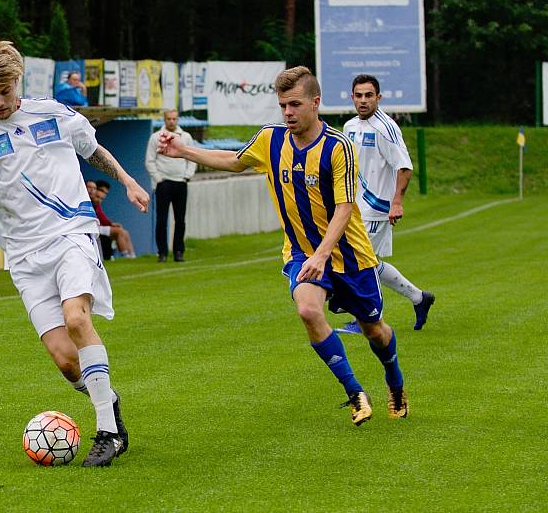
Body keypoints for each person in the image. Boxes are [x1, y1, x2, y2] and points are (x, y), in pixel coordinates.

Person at [0, 33, 149, 466]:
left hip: (71, 233)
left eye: (5, 92)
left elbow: (93, 149)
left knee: (76, 317)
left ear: (18, 81)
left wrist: (127, 179)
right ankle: (110, 402)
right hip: (24, 255)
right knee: (66, 361)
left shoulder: (54, 113)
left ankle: (107, 433)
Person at [159, 66, 409, 425]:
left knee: (374, 330)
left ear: (315, 102)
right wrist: (183, 150)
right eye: (282, 106)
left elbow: (345, 207)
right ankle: (355, 392)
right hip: (302, 253)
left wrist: (324, 253)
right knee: (308, 311)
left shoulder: (340, 147)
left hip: (350, 256)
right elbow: (234, 161)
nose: (288, 113)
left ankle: (395, 381)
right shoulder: (270, 139)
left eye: (295, 104)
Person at [341, 74, 435, 332]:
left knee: (360, 262)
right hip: (355, 206)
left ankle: (367, 318)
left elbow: (404, 167)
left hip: (378, 207)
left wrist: (397, 203)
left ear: (378, 98)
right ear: (352, 98)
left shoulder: (386, 127)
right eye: (358, 95)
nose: (363, 100)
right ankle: (419, 298)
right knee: (369, 262)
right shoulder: (349, 127)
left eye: (368, 95)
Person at [145, 109, 196, 262]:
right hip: (164, 182)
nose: (171, 121)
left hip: (180, 181)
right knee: (161, 219)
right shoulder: (156, 137)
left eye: (174, 119)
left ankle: (179, 251)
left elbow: (192, 156)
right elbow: (150, 160)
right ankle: (162, 252)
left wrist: (187, 176)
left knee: (180, 219)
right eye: (169, 119)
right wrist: (158, 178)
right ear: (164, 120)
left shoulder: (185, 137)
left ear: (178, 119)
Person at [92, 179, 136, 259]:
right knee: (118, 231)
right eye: (101, 190)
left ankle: (132, 256)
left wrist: (111, 224)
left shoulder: (97, 204)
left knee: (124, 232)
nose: (102, 195)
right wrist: (110, 224)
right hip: (91, 227)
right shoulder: (89, 200)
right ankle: (125, 256)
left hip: (98, 226)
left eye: (105, 193)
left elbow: (102, 217)